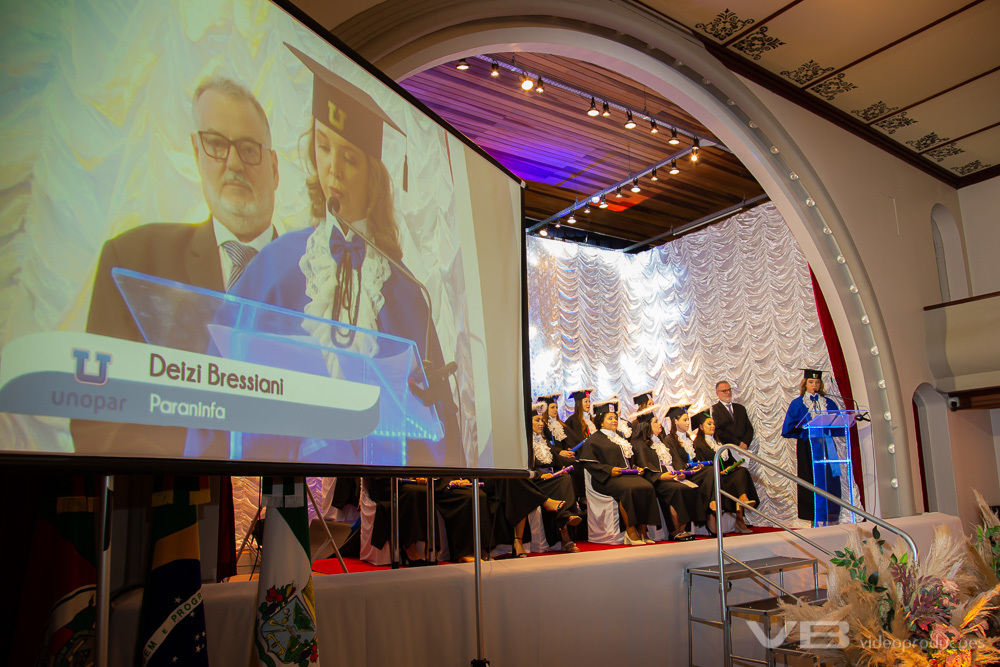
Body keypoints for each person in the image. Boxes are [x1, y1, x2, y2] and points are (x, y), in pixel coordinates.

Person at [225, 44, 457, 463]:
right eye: (323, 146)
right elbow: (225, 367)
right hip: (283, 479)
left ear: (374, 175)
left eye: (349, 157)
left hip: (383, 489)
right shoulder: (278, 265)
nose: (331, 169)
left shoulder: (405, 290)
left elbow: (434, 432)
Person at [73, 75, 280, 456]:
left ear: (275, 167)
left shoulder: (319, 280)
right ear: (197, 153)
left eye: (249, 149)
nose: (233, 163)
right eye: (216, 144)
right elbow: (98, 416)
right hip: (174, 503)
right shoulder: (135, 259)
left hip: (291, 497)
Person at [497, 403, 582, 556]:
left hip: (547, 480)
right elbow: (522, 467)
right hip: (532, 482)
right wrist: (541, 475)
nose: (541, 424)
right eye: (536, 420)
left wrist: (560, 471)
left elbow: (555, 462)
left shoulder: (545, 442)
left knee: (565, 480)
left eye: (541, 420)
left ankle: (565, 526)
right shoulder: (522, 443)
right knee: (523, 482)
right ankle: (563, 527)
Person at [579, 400, 660, 545]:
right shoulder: (594, 440)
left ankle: (643, 531)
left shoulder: (620, 438)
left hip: (627, 476)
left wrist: (636, 468)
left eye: (615, 418)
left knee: (647, 487)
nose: (614, 420)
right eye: (610, 418)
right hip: (605, 479)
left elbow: (628, 460)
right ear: (601, 422)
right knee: (629, 489)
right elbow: (589, 463)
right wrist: (609, 470)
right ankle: (630, 532)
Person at [781, 369, 843, 525]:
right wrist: (804, 430)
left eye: (817, 382)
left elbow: (839, 423)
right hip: (807, 447)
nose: (814, 385)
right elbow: (788, 428)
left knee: (829, 479)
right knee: (810, 479)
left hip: (826, 445)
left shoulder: (828, 402)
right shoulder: (798, 403)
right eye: (811, 382)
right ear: (805, 384)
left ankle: (830, 516)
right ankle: (813, 517)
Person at [629, 405, 699, 541]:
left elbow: (672, 462)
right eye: (655, 421)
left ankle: (683, 530)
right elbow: (646, 468)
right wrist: (662, 476)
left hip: (670, 476)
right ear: (646, 425)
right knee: (677, 490)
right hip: (656, 480)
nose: (660, 423)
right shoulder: (639, 443)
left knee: (689, 487)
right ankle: (675, 532)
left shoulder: (660, 441)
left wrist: (680, 473)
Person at [691, 410, 758, 535]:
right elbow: (704, 464)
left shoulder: (719, 442)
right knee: (718, 477)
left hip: (726, 476)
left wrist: (732, 467)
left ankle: (742, 503)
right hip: (713, 477)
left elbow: (730, 460)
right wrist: (720, 472)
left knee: (741, 471)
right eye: (709, 424)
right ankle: (730, 519)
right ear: (701, 427)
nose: (712, 426)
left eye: (713, 424)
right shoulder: (697, 444)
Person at [538, 393, 584, 500]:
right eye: (552, 407)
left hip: (562, 453)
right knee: (571, 464)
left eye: (556, 407)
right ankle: (576, 497)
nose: (555, 410)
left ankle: (581, 497)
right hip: (553, 455)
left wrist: (570, 450)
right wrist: (559, 452)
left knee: (577, 462)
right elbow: (545, 444)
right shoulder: (543, 425)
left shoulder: (560, 424)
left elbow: (571, 440)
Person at [711, 381, 755, 452]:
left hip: (743, 450)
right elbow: (718, 431)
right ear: (717, 393)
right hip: (726, 450)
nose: (728, 393)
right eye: (724, 391)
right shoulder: (714, 410)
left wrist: (745, 444)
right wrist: (737, 444)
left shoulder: (740, 408)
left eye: (729, 390)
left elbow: (749, 428)